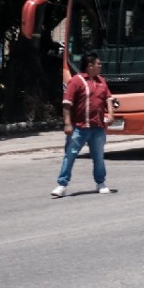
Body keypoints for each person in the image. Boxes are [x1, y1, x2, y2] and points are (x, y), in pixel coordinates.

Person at [50, 51, 115, 198]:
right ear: (90, 65)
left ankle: (100, 183)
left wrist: (110, 114)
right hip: (79, 127)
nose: (100, 66)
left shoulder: (101, 81)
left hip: (97, 127)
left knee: (98, 156)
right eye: (98, 64)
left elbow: (108, 99)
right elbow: (67, 104)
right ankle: (62, 185)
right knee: (70, 155)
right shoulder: (76, 81)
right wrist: (67, 124)